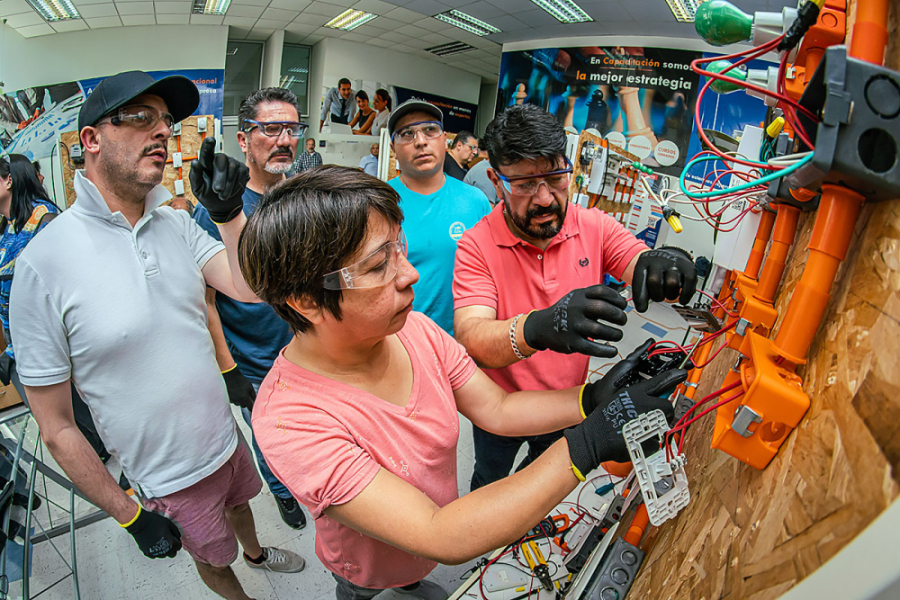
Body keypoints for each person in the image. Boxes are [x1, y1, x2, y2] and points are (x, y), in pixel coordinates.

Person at [240, 166, 685, 600]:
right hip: (367, 564)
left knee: (413, 576)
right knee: (365, 585)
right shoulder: (290, 419)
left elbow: (497, 409)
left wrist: (589, 400)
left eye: (400, 247)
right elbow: (439, 533)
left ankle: (411, 583)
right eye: (378, 266)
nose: (408, 272)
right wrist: (585, 445)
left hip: (426, 544)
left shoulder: (416, 331)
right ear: (305, 301)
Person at [10, 71, 305, 600]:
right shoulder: (43, 265)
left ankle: (258, 553)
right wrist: (129, 516)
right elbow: (56, 427)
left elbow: (248, 288)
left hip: (223, 436)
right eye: (141, 118)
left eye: (166, 121)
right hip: (168, 475)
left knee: (241, 506)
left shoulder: (175, 223)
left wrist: (229, 214)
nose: (163, 132)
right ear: (91, 139)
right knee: (214, 560)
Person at [453, 104, 698, 490]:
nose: (546, 199)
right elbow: (473, 337)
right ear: (495, 181)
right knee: (490, 479)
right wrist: (538, 328)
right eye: (524, 185)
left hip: (569, 403)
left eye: (556, 177)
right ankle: (489, 544)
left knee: (539, 480)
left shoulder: (593, 225)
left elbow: (637, 261)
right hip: (502, 409)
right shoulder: (476, 245)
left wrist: (666, 263)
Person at [194, 87, 308, 531]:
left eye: (291, 129)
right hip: (256, 359)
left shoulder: (297, 198)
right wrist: (228, 368)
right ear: (243, 140)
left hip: (305, 349)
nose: (283, 139)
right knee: (269, 436)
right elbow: (204, 298)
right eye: (270, 129)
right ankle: (282, 493)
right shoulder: (218, 209)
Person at [0, 155, 111, 461]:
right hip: (22, 346)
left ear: (8, 180)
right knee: (60, 427)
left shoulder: (46, 220)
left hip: (59, 343)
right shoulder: (9, 227)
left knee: (85, 424)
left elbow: (75, 279)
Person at [387, 100, 491, 335]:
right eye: (407, 134)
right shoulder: (377, 203)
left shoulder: (475, 201)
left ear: (445, 140)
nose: (421, 141)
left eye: (430, 130)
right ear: (393, 148)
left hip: (461, 345)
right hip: (397, 345)